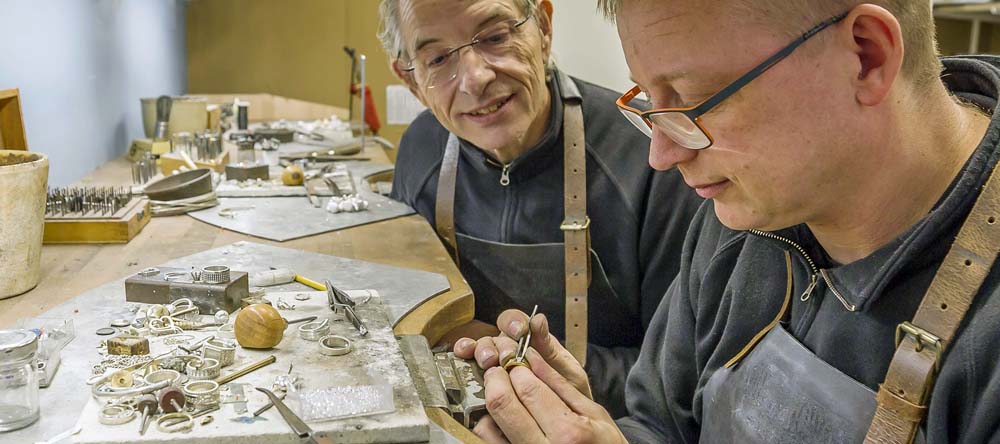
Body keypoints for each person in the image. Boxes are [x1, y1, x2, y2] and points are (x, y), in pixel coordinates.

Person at [455, 0, 1000, 443]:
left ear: (867, 56)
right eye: (650, 100)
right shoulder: (741, 213)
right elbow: (659, 424)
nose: (662, 155)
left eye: (694, 101)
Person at [377, 0, 702, 417]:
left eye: (495, 37)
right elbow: (414, 308)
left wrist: (535, 367)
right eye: (438, 58)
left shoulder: (652, 156)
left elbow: (683, 378)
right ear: (411, 80)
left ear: (544, 27)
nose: (476, 78)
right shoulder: (421, 150)